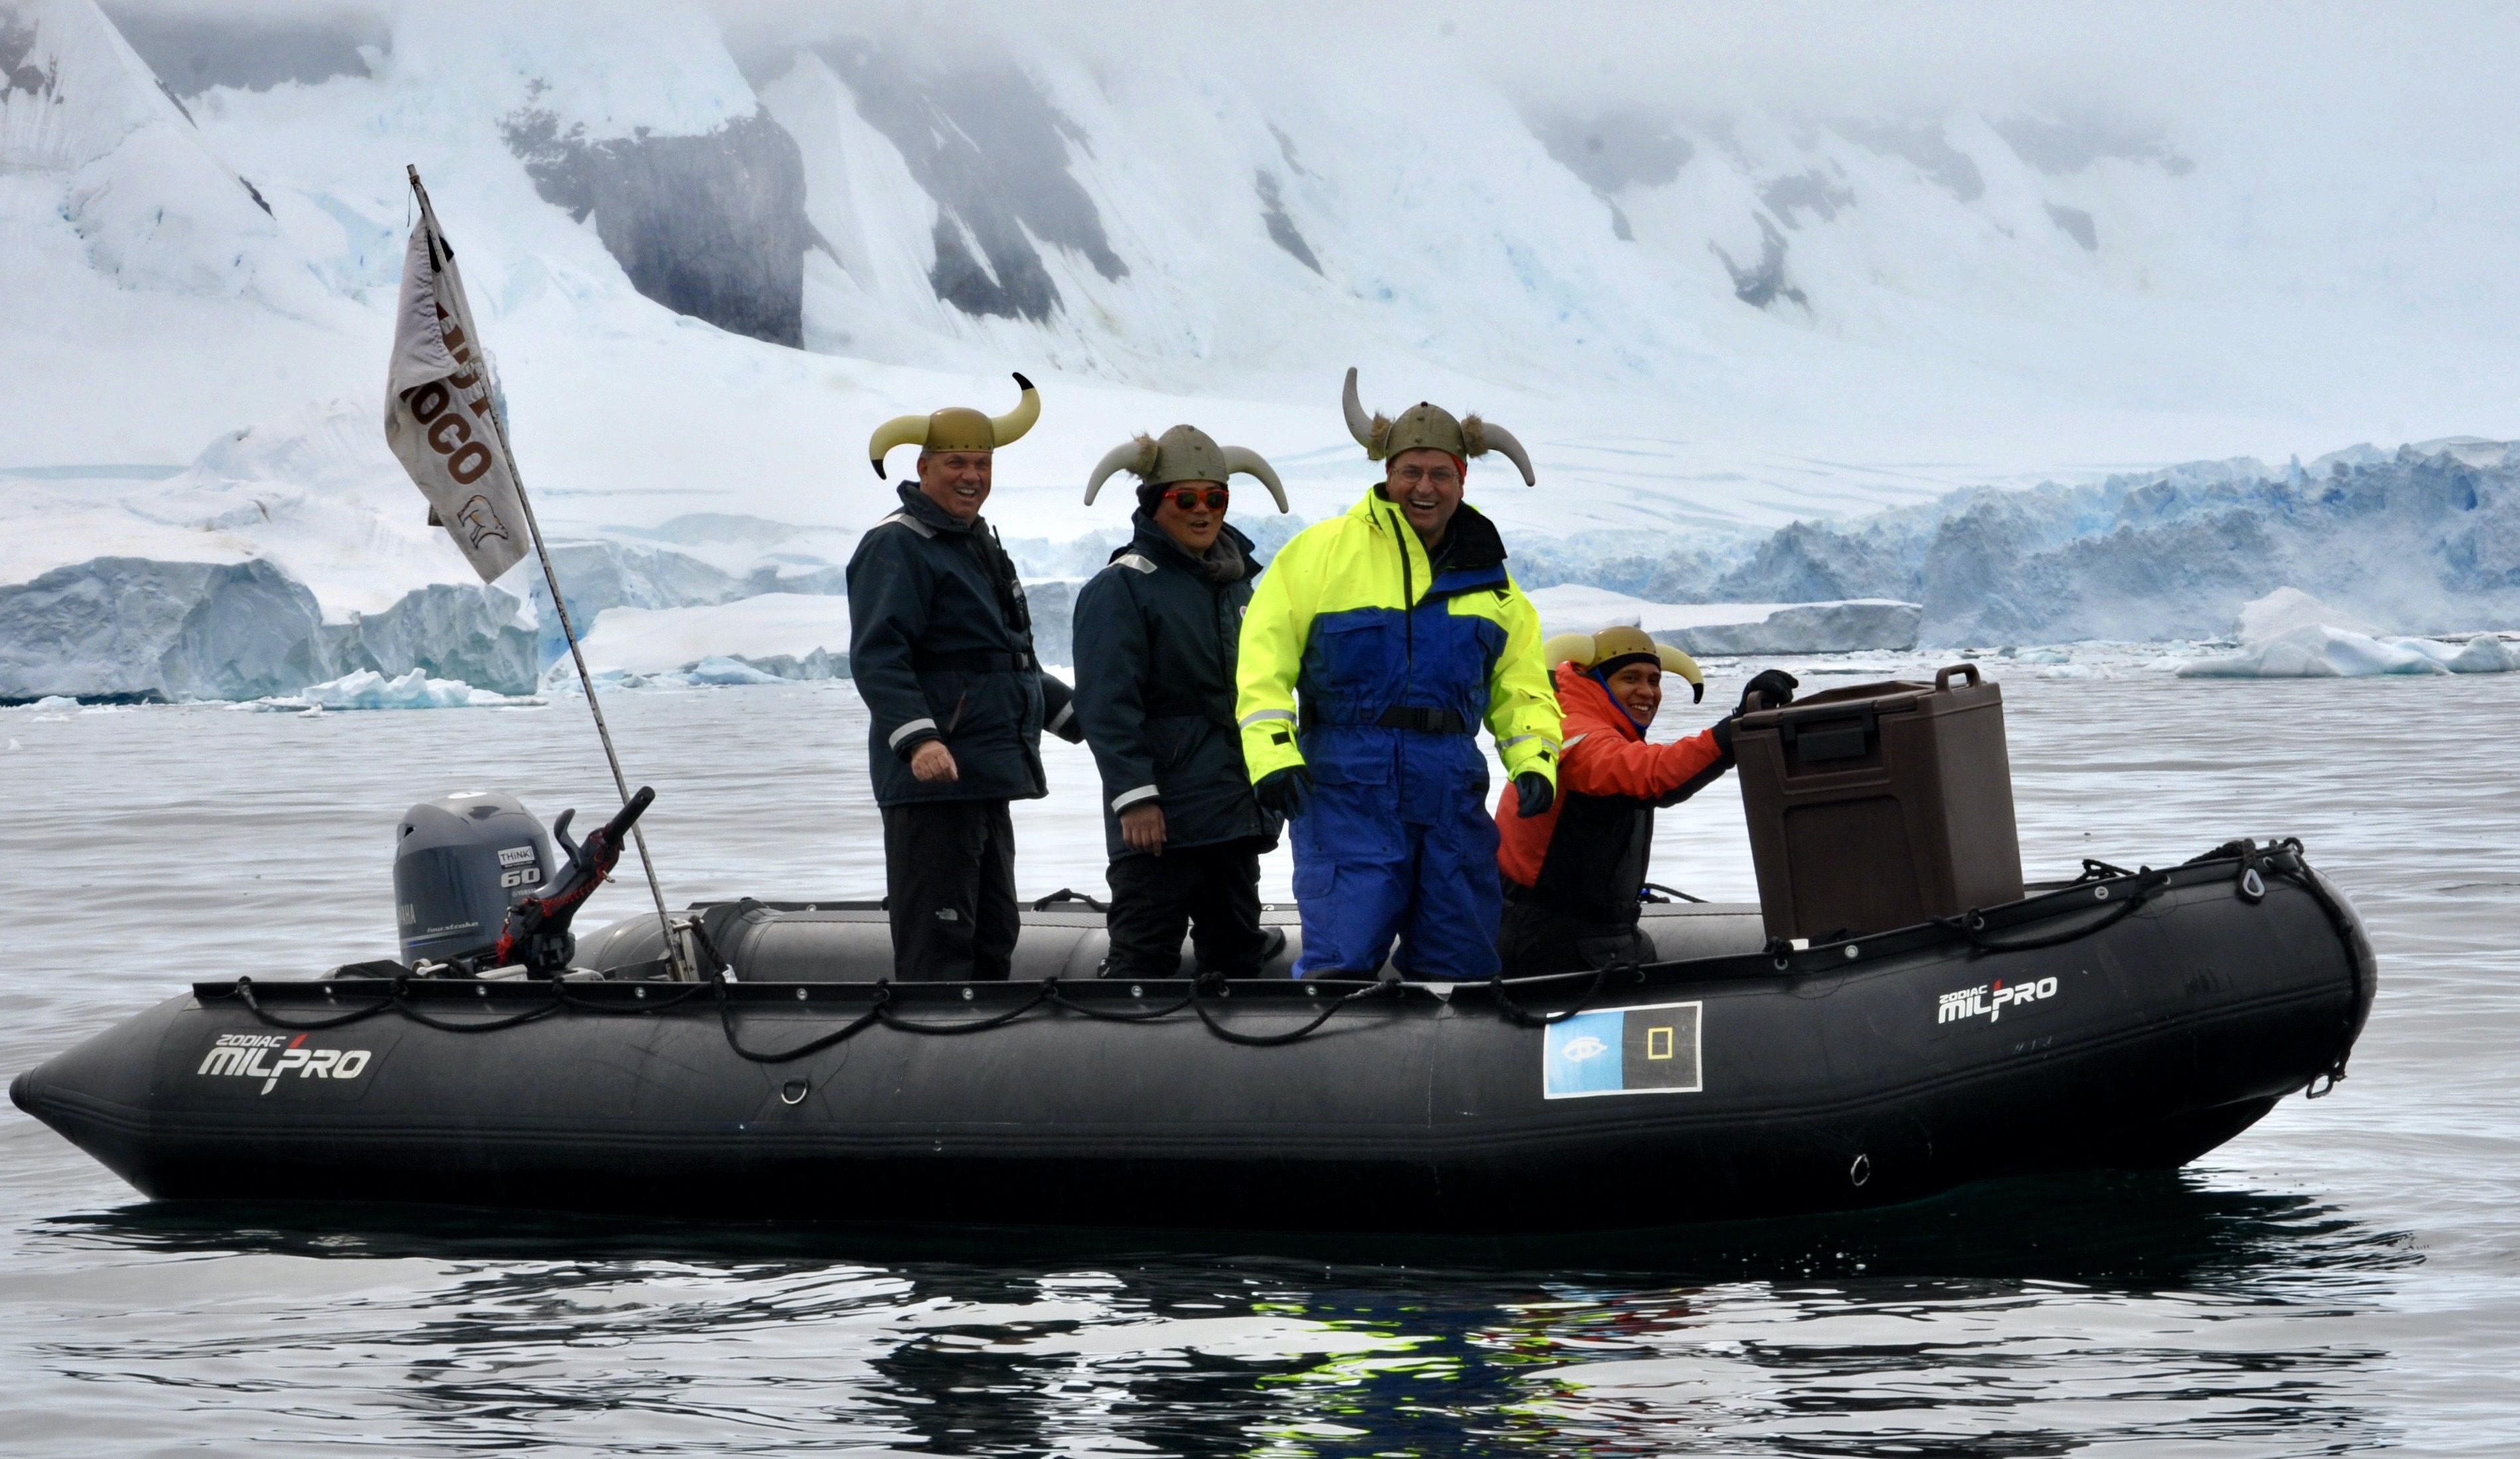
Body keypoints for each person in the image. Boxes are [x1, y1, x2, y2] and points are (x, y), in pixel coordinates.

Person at [1234, 368, 1561, 980]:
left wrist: (1535, 759)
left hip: (1450, 788)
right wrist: (1272, 754)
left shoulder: (1492, 579)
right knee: (1344, 957)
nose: (1424, 487)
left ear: (1461, 480)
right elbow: (1262, 664)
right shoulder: (1317, 554)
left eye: (1441, 473)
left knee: (1461, 962)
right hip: (1346, 786)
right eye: (1410, 471)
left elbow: (1520, 686)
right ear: (1387, 474)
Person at [848, 373, 1084, 980]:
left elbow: (1000, 659)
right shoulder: (897, 544)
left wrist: (1077, 716)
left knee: (994, 931)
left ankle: (986, 1036)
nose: (972, 476)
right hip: (934, 779)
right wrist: (919, 739)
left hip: (984, 773)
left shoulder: (974, 542)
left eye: (982, 463)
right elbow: (879, 655)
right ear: (924, 467)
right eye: (956, 462)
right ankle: (931, 1035)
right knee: (940, 940)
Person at [1072, 426, 1292, 977]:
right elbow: (1106, 705)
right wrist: (1134, 798)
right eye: (1185, 498)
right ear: (1154, 502)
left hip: (1232, 812)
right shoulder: (1120, 587)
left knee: (1236, 955)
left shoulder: (1237, 585)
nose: (1202, 511)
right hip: (1159, 820)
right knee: (1143, 958)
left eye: (1215, 498)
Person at [1495, 626, 1797, 975]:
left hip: (1599, 935)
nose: (1647, 692)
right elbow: (1654, 774)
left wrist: (1740, 723)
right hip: (1551, 943)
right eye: (1630, 678)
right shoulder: (1575, 735)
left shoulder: (1591, 730)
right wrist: (1733, 729)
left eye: (1654, 680)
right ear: (1596, 683)